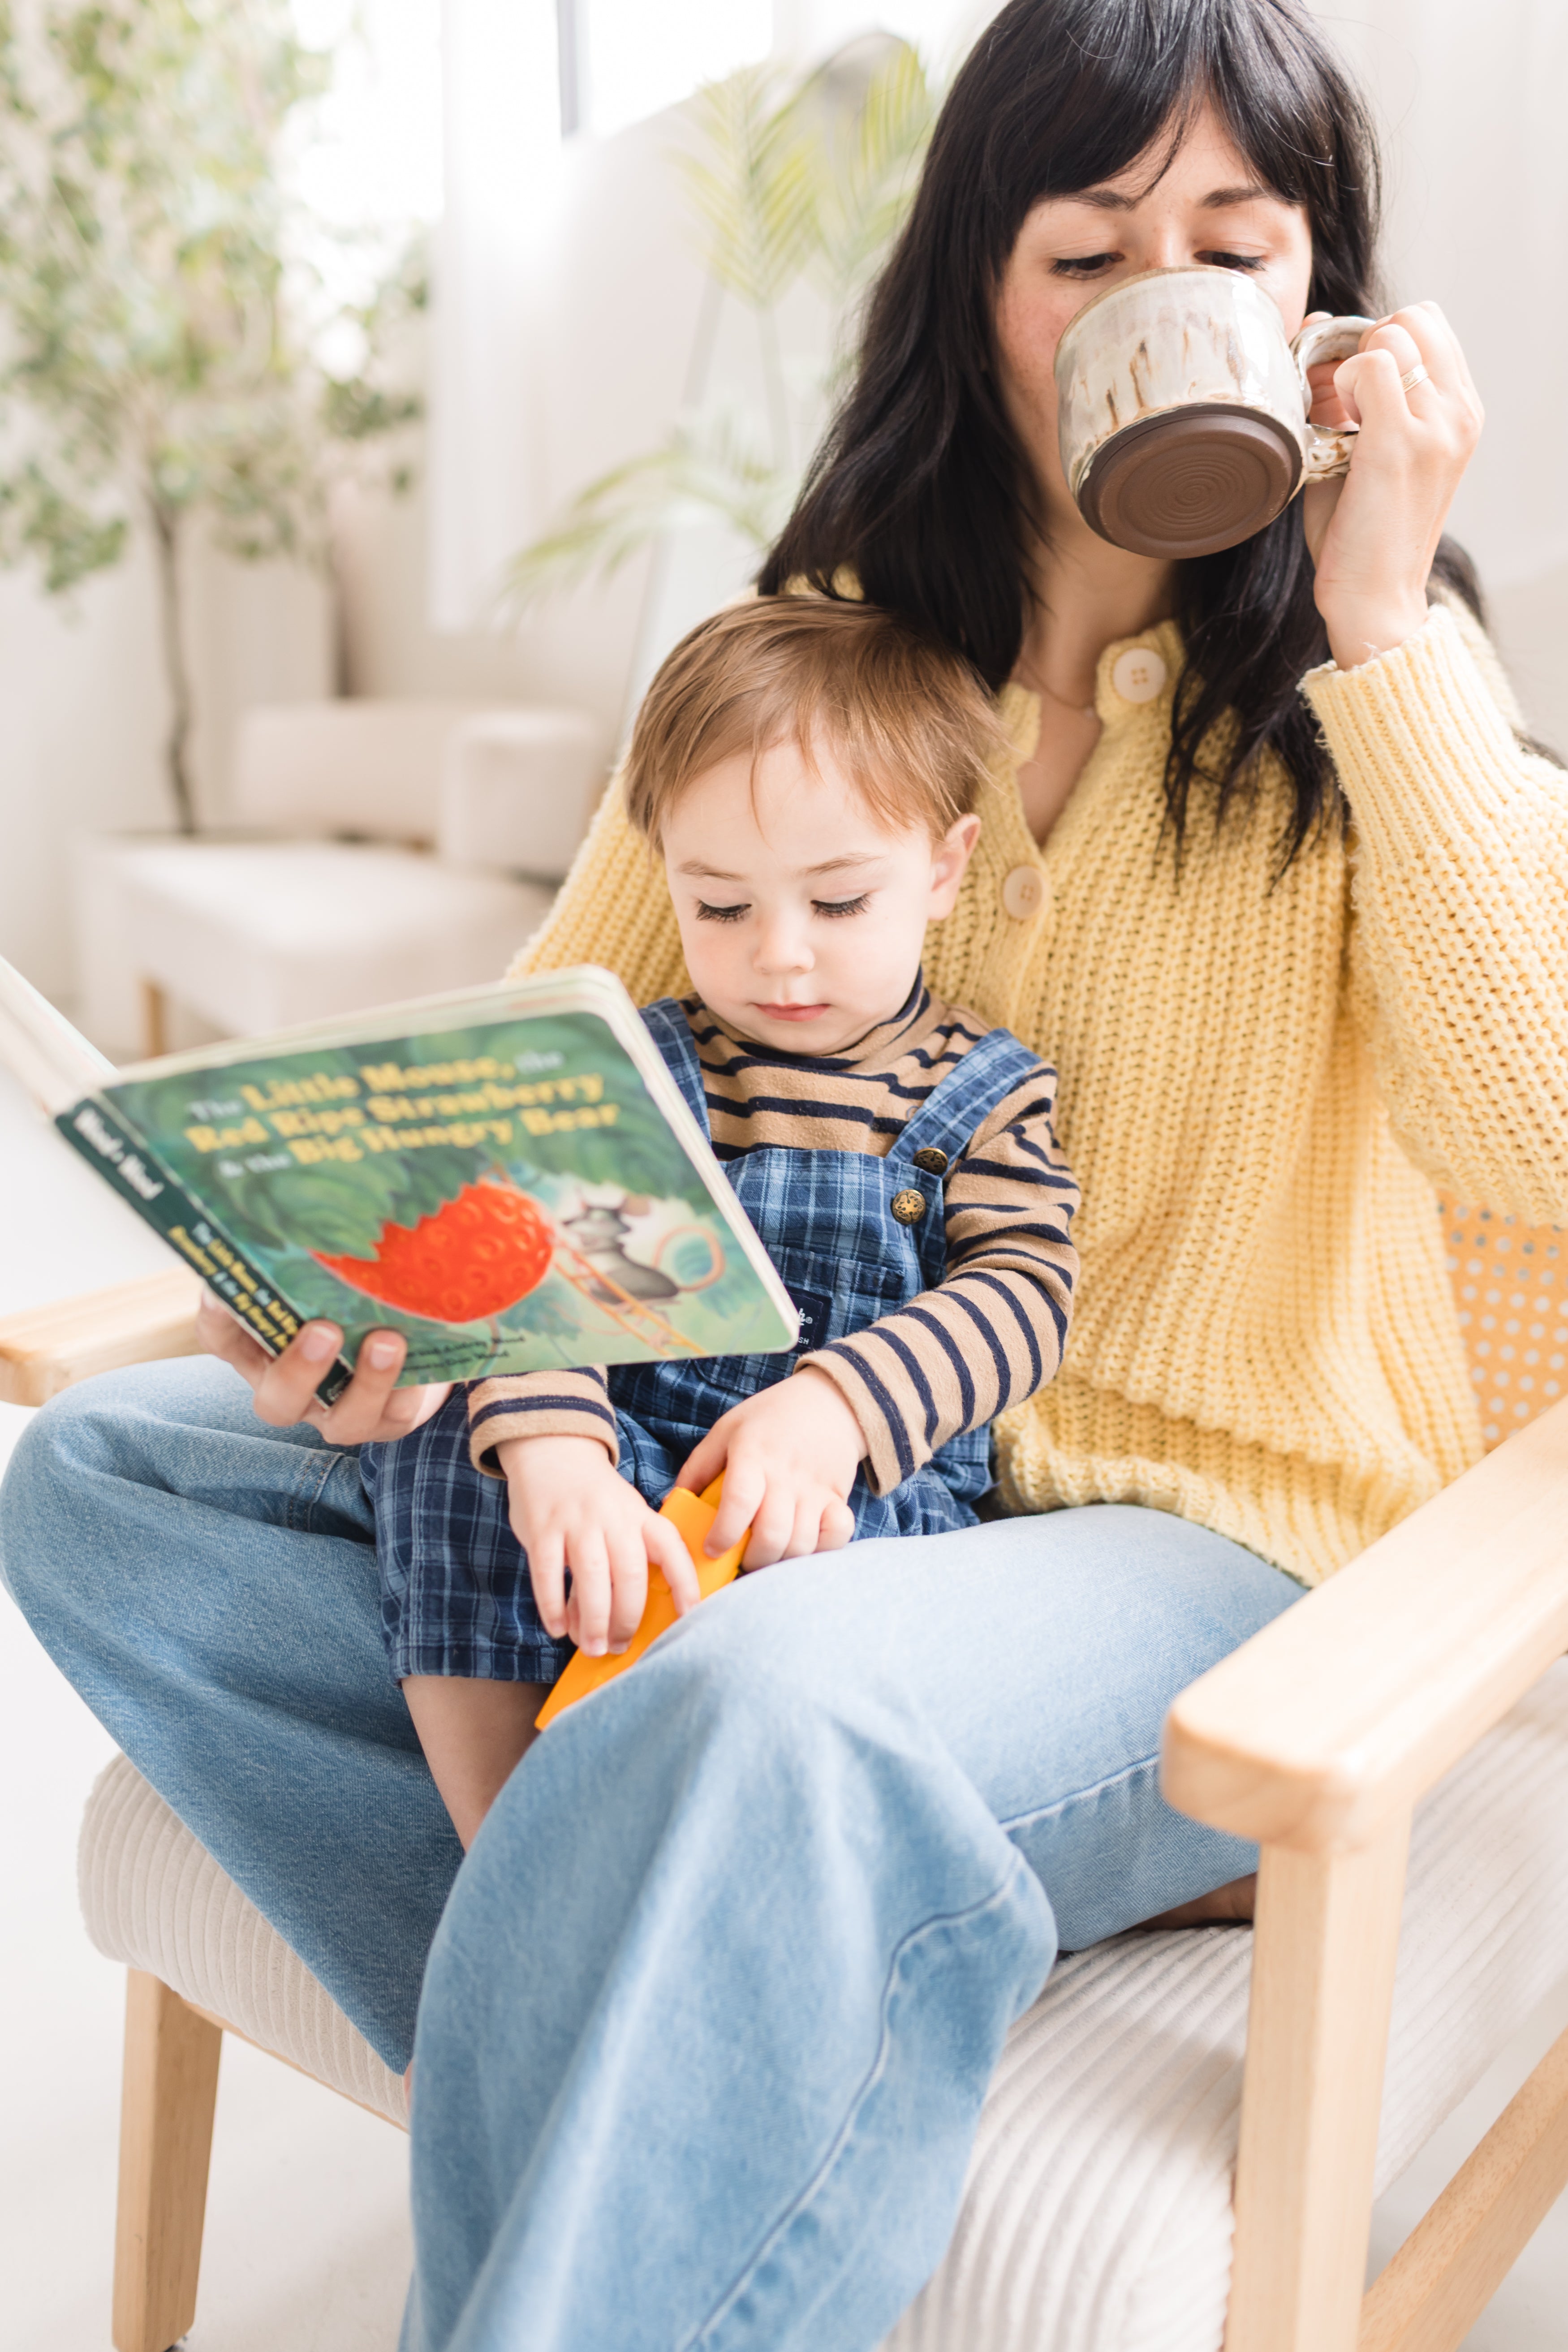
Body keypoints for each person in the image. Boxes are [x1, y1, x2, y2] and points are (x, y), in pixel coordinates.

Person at [4, 3, 1564, 2347]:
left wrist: (1373, 606)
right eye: (1085, 248)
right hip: (741, 1492)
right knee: (107, 1473)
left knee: (754, 1699)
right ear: (973, 289)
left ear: (1321, 309)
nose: (1162, 294)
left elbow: (1534, 1144)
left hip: (1190, 1558)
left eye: (1232, 247)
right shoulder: (827, 659)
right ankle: (676, 2013)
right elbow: (530, 1091)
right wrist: (368, 1313)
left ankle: (658, 2080)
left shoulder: (1374, 697)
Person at [368, 599, 1079, 1848]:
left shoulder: (982, 1087)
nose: (779, 958)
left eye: (839, 902)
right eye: (721, 906)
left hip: (848, 1509)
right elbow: (539, 1269)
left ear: (945, 869)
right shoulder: (640, 1066)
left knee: (792, 1647)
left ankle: (653, 1837)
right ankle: (505, 1850)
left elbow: (1024, 1293)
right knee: (449, 1423)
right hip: (630, 1477)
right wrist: (559, 1455)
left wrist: (839, 1409)